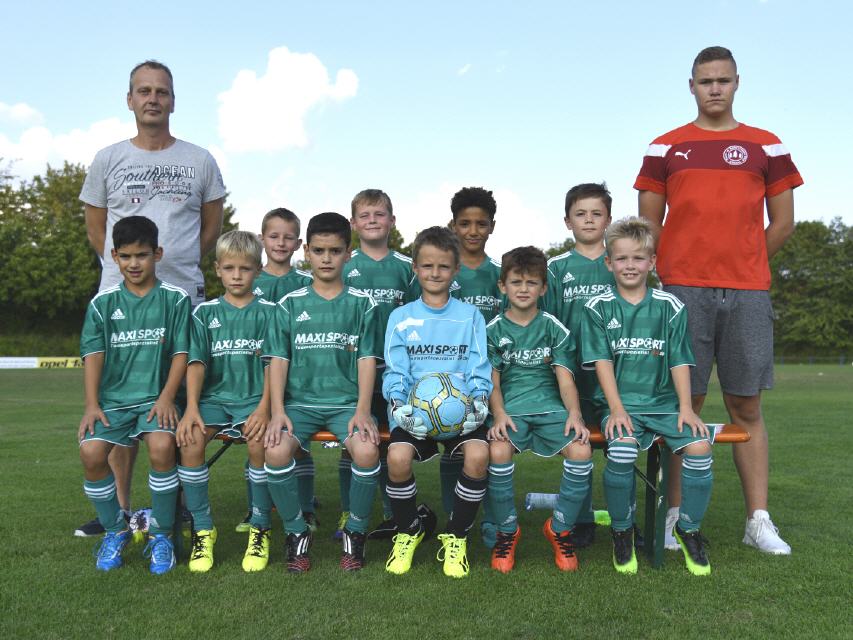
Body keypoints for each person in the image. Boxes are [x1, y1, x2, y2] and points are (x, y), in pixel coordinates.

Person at [635, 46, 802, 555]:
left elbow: (784, 223)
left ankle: (758, 521)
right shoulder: (665, 146)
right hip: (683, 291)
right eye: (705, 81)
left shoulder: (767, 145)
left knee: (745, 404)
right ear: (691, 85)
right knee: (684, 405)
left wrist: (745, 264)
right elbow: (648, 226)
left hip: (748, 292)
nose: (714, 88)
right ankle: (674, 516)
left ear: (737, 83)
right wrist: (677, 272)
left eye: (723, 80)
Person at [76, 59, 226, 537]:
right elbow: (97, 229)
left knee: (175, 400)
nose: (153, 98)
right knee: (122, 399)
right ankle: (121, 508)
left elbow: (211, 227)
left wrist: (178, 264)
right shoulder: (108, 159)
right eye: (144, 91)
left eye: (161, 91)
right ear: (130, 100)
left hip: (182, 296)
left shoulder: (200, 160)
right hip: (122, 299)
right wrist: (123, 269)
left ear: (173, 101)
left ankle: (174, 506)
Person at [582, 217, 713, 575]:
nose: (630, 265)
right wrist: (616, 409)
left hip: (663, 405)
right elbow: (603, 362)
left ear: (652, 262)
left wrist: (686, 408)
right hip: (619, 405)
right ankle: (622, 532)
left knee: (700, 448)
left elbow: (680, 361)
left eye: (638, 258)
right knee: (623, 450)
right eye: (622, 258)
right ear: (609, 262)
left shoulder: (670, 306)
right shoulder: (597, 307)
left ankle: (688, 529)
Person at [263, 212, 382, 572]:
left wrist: (362, 410)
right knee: (275, 451)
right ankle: (296, 532)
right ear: (307, 253)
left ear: (348, 254)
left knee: (367, 450)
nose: (326, 258)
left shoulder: (363, 303)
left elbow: (366, 360)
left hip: (346, 404)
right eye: (319, 251)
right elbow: (279, 360)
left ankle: (355, 533)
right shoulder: (290, 304)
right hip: (299, 405)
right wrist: (278, 411)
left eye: (335, 251)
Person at [78, 215, 189, 574]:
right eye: (125, 256)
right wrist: (91, 405)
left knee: (161, 447)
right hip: (114, 401)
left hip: (157, 399)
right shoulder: (102, 304)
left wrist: (167, 397)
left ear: (157, 253)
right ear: (114, 256)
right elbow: (93, 355)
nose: (134, 264)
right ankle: (116, 530)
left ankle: (161, 535)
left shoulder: (175, 299)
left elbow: (181, 354)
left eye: (141, 255)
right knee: (91, 452)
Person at [382, 226, 492, 578]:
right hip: (416, 413)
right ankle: (408, 530)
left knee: (479, 456)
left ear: (456, 269)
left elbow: (478, 364)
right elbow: (396, 369)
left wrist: (480, 401)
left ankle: (456, 536)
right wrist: (397, 405)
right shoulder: (401, 317)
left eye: (443, 266)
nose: (435, 273)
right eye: (427, 265)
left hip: (462, 413)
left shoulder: (470, 316)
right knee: (397, 458)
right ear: (415, 267)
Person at [485, 246, 591, 573]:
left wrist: (574, 414)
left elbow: (565, 380)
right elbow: (492, 382)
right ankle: (507, 532)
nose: (523, 289)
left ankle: (559, 529)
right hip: (510, 410)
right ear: (502, 286)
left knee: (581, 450)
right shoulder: (492, 330)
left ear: (543, 288)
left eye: (531, 283)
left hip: (549, 409)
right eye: (516, 282)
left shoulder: (554, 328)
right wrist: (499, 414)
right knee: (498, 450)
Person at [175, 230, 276, 572]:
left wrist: (264, 408)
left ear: (257, 270)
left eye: (245, 269)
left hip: (255, 400)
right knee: (190, 440)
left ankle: (260, 527)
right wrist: (191, 408)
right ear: (217, 269)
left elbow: (274, 365)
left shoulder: (270, 312)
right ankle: (203, 529)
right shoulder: (204, 313)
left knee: (259, 443)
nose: (236, 276)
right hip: (214, 400)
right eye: (229, 268)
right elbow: (196, 363)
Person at [333, 189, 422, 540]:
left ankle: (391, 510)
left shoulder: (406, 267)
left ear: (392, 221)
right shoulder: (344, 264)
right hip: (353, 370)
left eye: (379, 214)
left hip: (396, 371)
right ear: (353, 223)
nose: (372, 220)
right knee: (352, 440)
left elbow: (417, 316)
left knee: (389, 439)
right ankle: (347, 511)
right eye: (365, 215)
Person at [231, 208, 315, 535]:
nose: (281, 243)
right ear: (261, 238)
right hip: (258, 380)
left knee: (300, 445)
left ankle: (306, 508)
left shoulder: (307, 282)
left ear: (298, 243)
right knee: (257, 440)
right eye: (274, 236)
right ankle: (257, 509)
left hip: (300, 377)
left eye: (288, 237)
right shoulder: (251, 278)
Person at [542, 182, 615, 546]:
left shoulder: (619, 262)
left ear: (609, 220)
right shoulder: (556, 268)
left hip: (613, 373)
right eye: (580, 214)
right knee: (579, 441)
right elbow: (548, 322)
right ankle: (582, 518)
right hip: (570, 373)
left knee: (620, 445)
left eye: (596, 214)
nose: (589, 220)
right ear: (567, 221)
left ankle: (623, 520)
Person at [448, 186, 503, 543]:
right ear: (453, 225)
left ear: (492, 226)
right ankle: (454, 519)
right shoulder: (441, 271)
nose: (472, 231)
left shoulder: (499, 274)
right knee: (452, 446)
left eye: (481, 224)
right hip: (446, 376)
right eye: (465, 223)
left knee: (492, 446)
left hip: (490, 377)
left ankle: (493, 520)